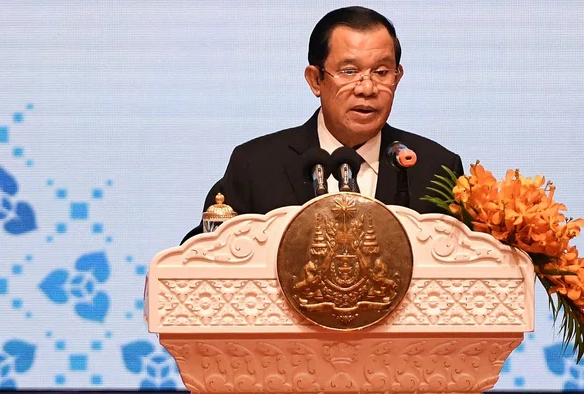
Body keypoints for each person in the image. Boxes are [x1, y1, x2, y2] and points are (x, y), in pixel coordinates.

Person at [181, 6, 464, 244]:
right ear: (316, 80)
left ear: (397, 78)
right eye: (349, 71)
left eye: (381, 72)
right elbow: (200, 259)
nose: (367, 88)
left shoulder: (437, 168)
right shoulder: (256, 165)